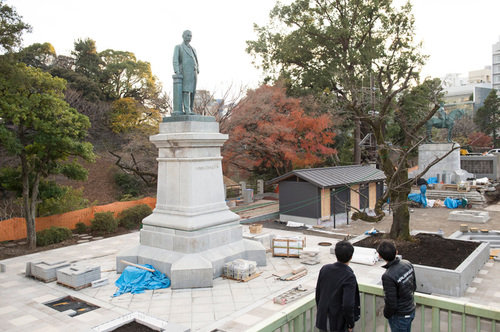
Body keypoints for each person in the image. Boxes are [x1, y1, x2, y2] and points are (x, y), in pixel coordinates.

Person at [315, 240, 360, 332]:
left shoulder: (325, 269)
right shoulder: (349, 276)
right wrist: (350, 323)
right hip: (338, 323)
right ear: (351, 257)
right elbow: (348, 304)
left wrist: (321, 310)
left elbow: (318, 293)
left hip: (323, 319)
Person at [377, 240, 417, 332]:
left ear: (380, 256)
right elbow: (414, 286)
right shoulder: (407, 264)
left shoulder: (388, 276)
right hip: (410, 310)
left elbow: (391, 302)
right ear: (396, 252)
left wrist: (386, 314)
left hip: (400, 316)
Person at [173, 30, 199, 114]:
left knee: (193, 91)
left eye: (190, 36)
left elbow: (196, 60)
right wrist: (177, 71)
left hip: (194, 72)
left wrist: (197, 68)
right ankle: (187, 109)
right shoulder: (179, 47)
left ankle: (191, 109)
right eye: (187, 36)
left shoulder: (193, 49)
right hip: (184, 71)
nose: (189, 37)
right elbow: (175, 60)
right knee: (186, 90)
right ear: (183, 36)